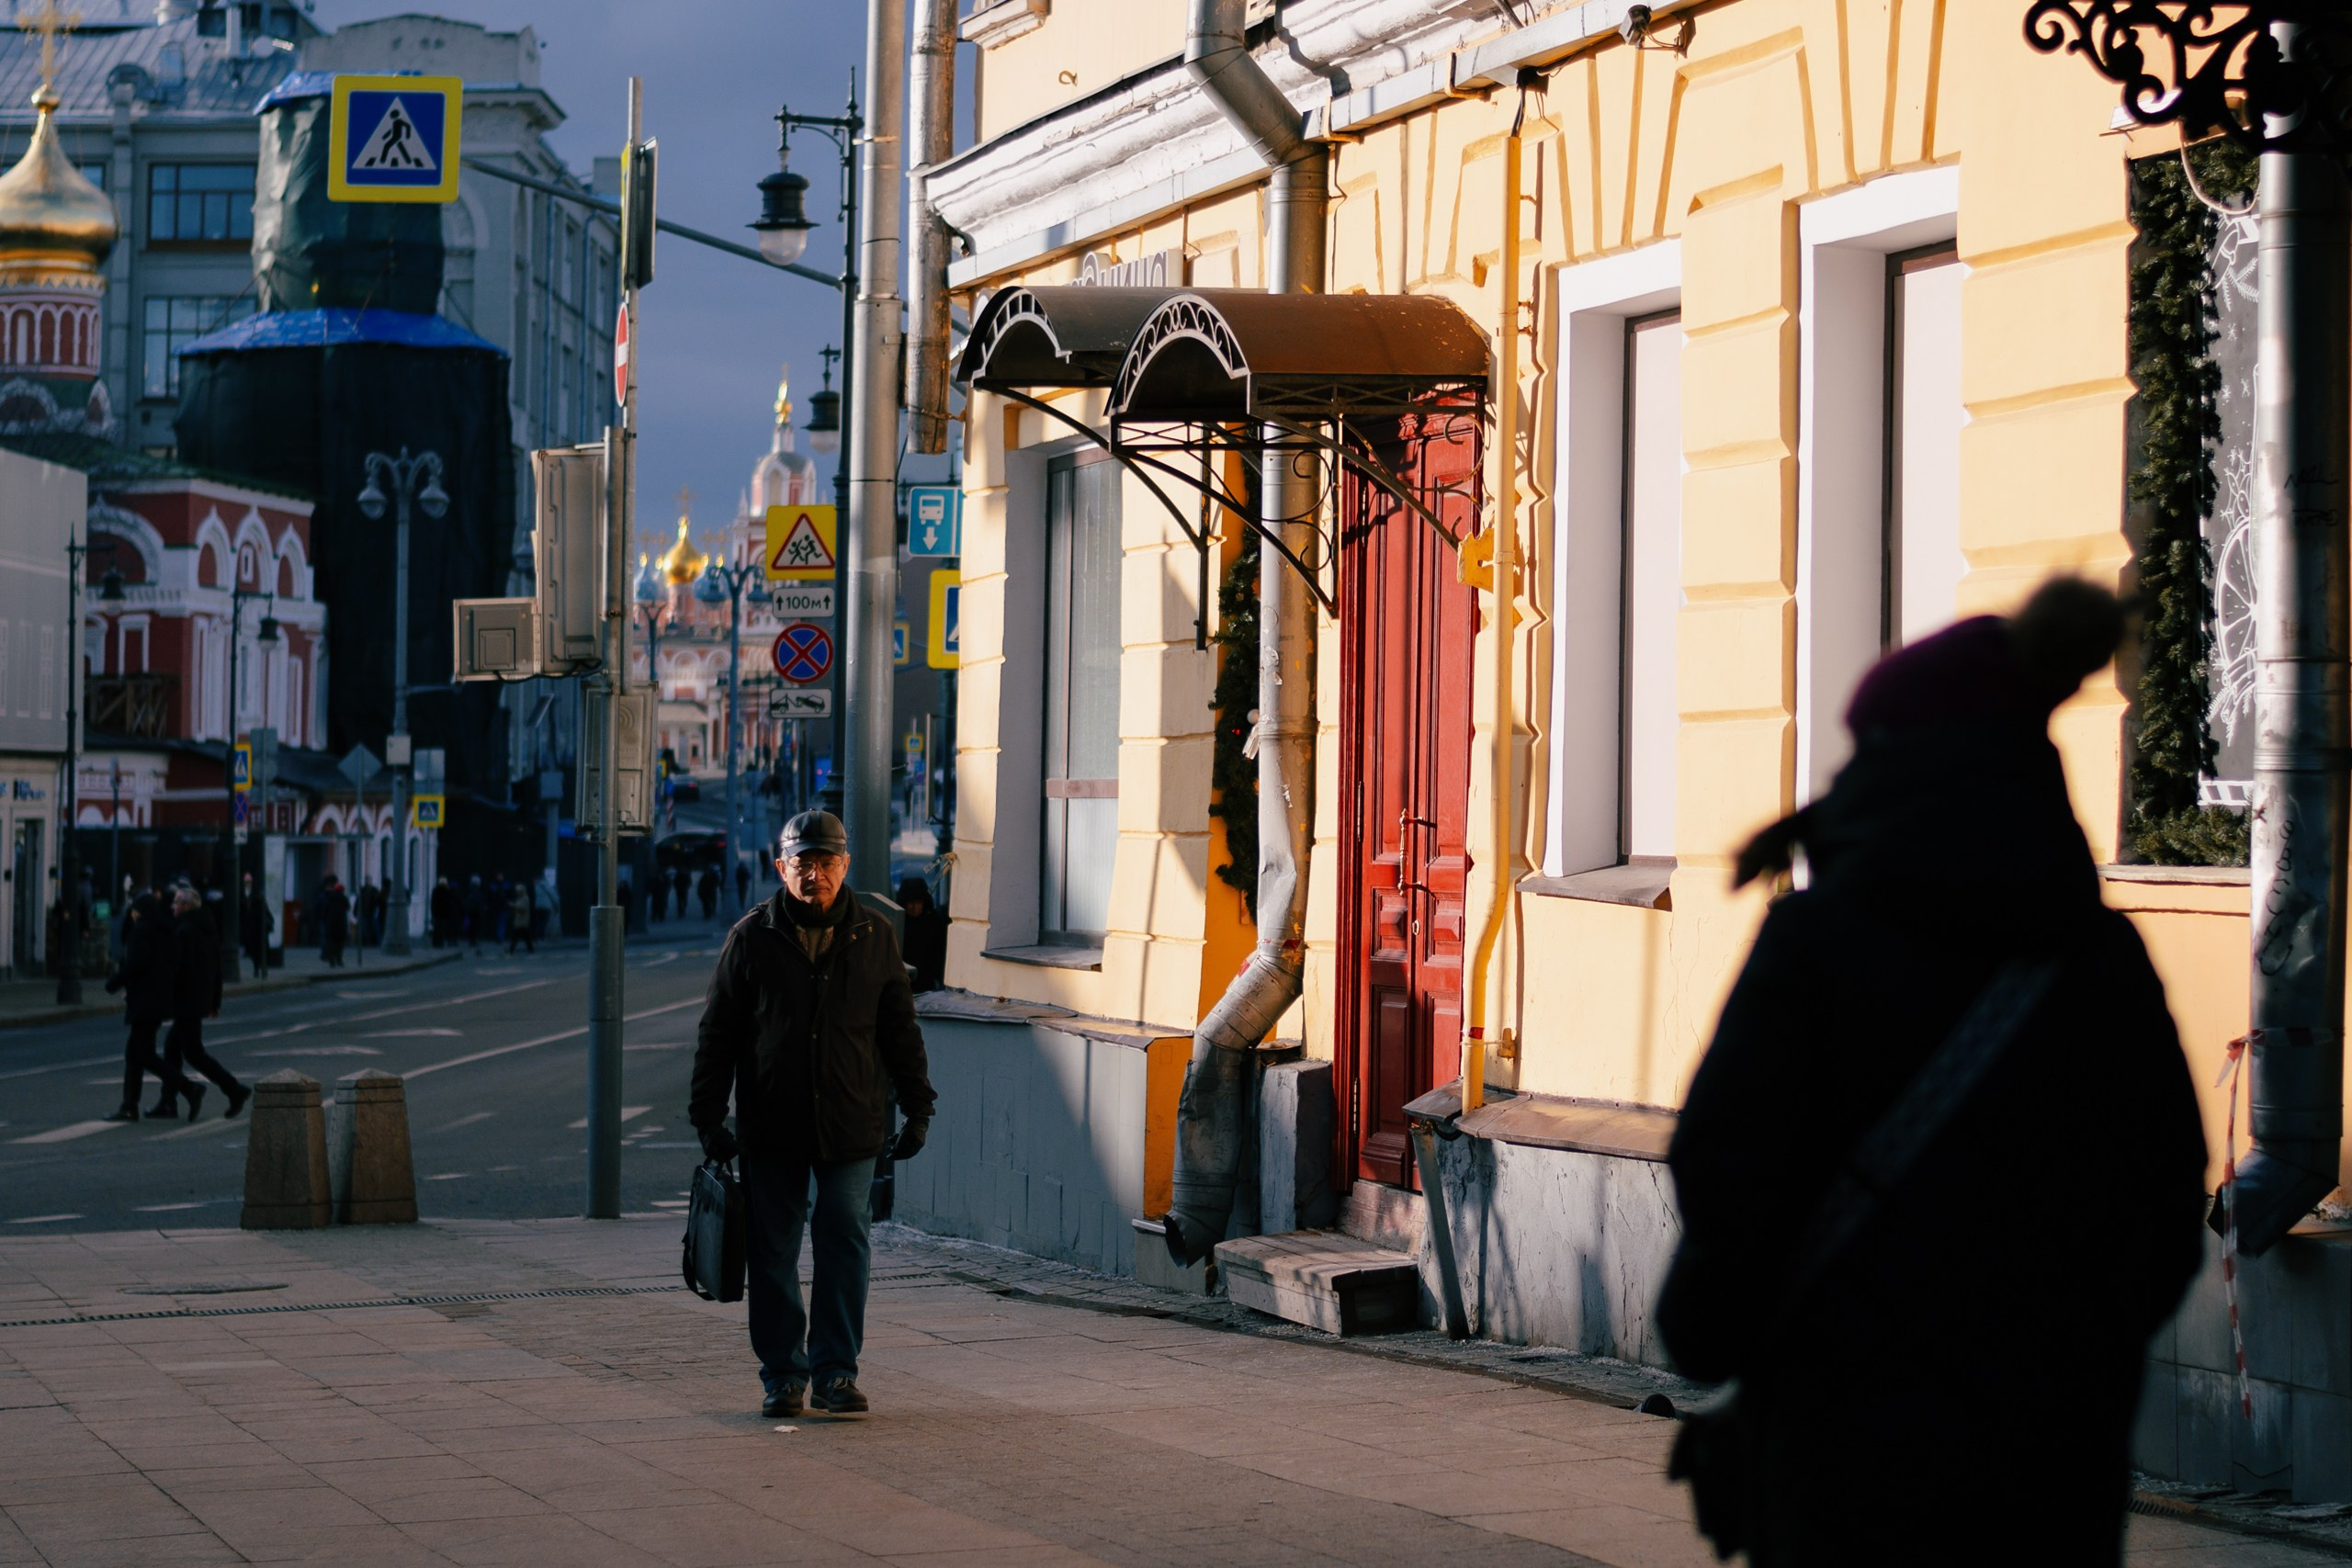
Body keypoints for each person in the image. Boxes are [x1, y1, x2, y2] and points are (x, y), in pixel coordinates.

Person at [1656, 581, 2207, 1566]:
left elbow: (1727, 1161)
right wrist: (2074, 1357)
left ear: (1893, 765)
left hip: (1842, 1447)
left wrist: (1723, 1330)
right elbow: (2162, 1198)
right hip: (2047, 1463)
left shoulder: (1817, 947)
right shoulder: (2094, 962)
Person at [693, 810, 935, 1420]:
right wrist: (708, 1118)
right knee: (772, 1252)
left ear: (845, 866)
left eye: (827, 862)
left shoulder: (875, 936)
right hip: (772, 1127)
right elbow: (717, 1034)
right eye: (804, 863)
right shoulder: (752, 937)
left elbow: (899, 1032)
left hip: (851, 1125)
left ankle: (835, 1372)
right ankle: (782, 1375)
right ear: (782, 868)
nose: (816, 874)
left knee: (844, 1244)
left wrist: (918, 1106)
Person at [151, 886, 247, 1121]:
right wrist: (214, 1001)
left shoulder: (185, 930)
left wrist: (163, 998)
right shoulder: (207, 927)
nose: (173, 906)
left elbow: (179, 969)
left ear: (186, 907)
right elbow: (216, 969)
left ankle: (234, 1089)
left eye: (176, 903)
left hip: (186, 1001)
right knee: (173, 1049)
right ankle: (168, 1101)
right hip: (198, 999)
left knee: (193, 1053)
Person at [100, 891, 194, 1121]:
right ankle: (129, 1105)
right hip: (159, 999)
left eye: (133, 911)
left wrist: (114, 983)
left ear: (139, 912)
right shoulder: (167, 929)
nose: (131, 915)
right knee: (135, 1054)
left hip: (144, 1001)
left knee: (143, 1054)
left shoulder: (141, 931)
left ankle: (188, 1088)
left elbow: (137, 963)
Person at [897, 877, 947, 993]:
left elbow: (940, 951)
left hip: (927, 980)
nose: (915, 907)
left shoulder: (934, 921)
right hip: (903, 980)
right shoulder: (899, 921)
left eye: (919, 903)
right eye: (911, 903)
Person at [238, 872, 272, 978]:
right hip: (250, 926)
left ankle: (259, 968)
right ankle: (258, 967)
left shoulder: (257, 896)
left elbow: (265, 911)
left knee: (258, 948)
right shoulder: (243, 893)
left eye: (249, 881)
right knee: (253, 948)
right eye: (246, 881)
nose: (247, 883)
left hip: (258, 927)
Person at [317, 876, 349, 968]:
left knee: (331, 943)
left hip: (330, 925)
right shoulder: (344, 899)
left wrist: (323, 920)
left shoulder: (329, 898)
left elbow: (324, 912)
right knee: (340, 944)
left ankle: (332, 961)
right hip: (341, 925)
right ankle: (339, 959)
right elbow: (347, 908)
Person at [506, 877, 535, 954]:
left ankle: (511, 950)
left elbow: (522, 908)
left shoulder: (525, 898)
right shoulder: (522, 898)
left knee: (516, 936)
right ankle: (530, 949)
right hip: (521, 919)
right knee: (526, 936)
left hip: (522, 919)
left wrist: (513, 905)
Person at [429, 875, 459, 949]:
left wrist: (433, 911)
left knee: (437, 928)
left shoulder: (436, 890)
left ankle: (437, 942)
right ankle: (440, 942)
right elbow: (450, 903)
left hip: (438, 912)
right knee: (441, 928)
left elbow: (433, 902)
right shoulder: (447, 891)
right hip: (444, 913)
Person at [462, 875, 488, 955]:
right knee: (475, 926)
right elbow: (479, 900)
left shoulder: (469, 890)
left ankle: (471, 940)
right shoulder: (477, 891)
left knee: (471, 926)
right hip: (476, 911)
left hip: (470, 911)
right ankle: (473, 940)